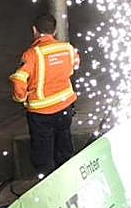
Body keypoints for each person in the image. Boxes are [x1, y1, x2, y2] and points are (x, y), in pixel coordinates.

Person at [9, 14, 80, 176]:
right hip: (65, 106)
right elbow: (75, 65)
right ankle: (68, 178)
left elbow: (19, 79)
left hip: (41, 113)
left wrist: (21, 97)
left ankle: (47, 183)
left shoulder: (32, 54)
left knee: (43, 153)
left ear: (34, 30)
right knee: (64, 144)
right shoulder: (68, 48)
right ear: (54, 31)